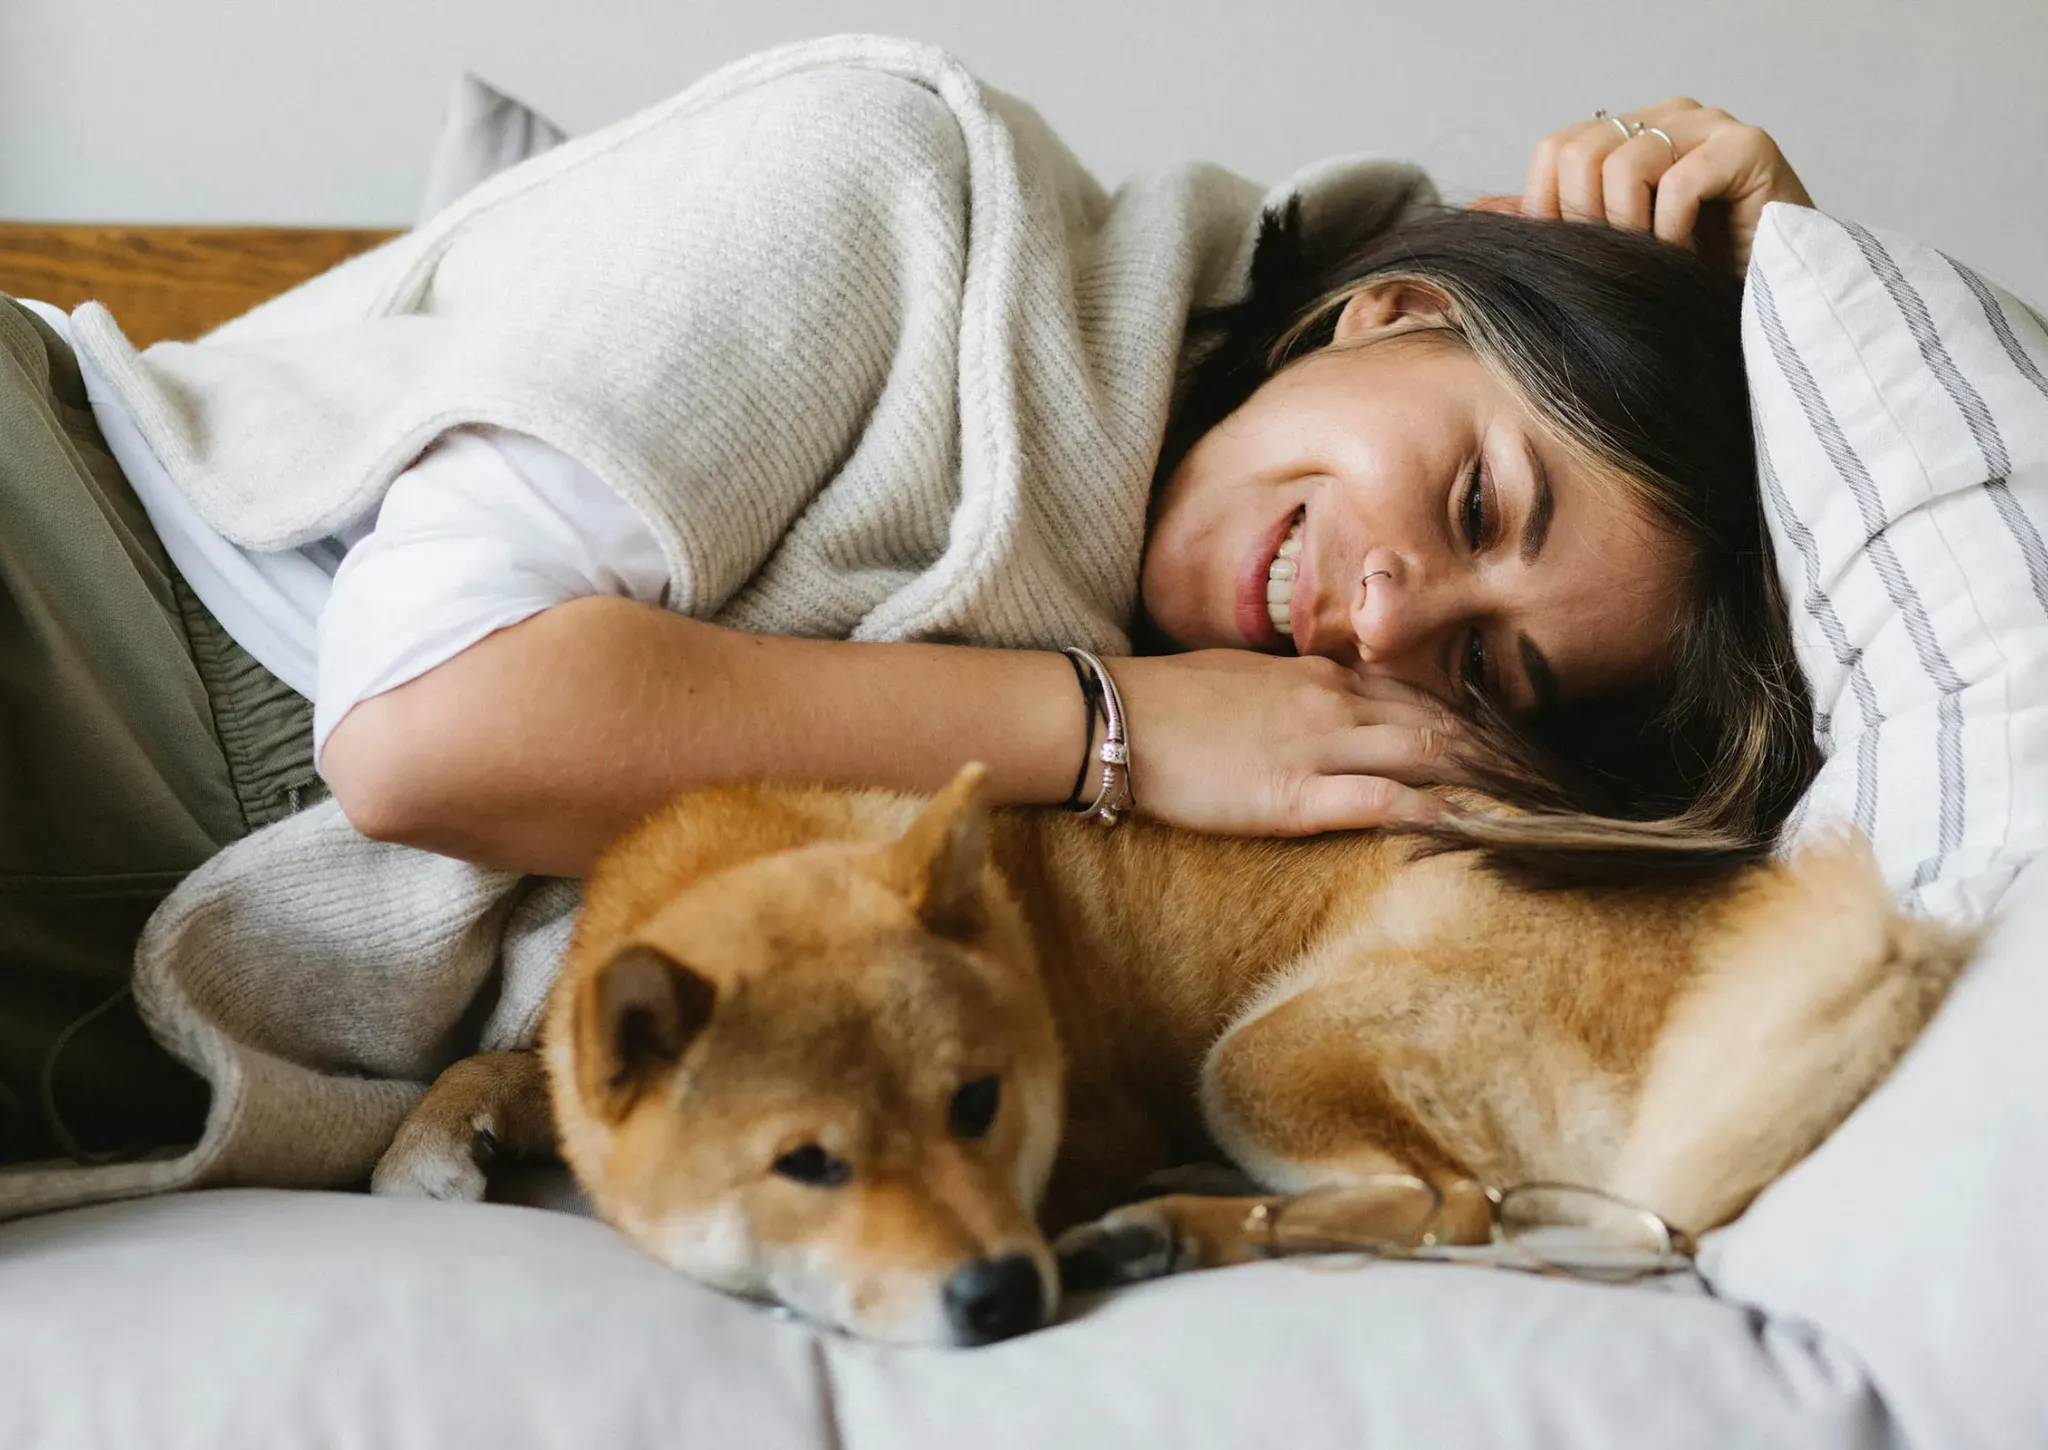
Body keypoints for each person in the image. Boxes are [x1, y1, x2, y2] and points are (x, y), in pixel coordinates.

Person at [0, 53, 1817, 1170]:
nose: (1390, 611)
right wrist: (1114, 725)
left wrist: (1825, 296)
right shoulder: (890, 190)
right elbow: (430, 722)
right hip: (77, 592)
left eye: (1484, 665)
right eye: (1481, 499)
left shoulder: (1194, 851)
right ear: (1397, 307)